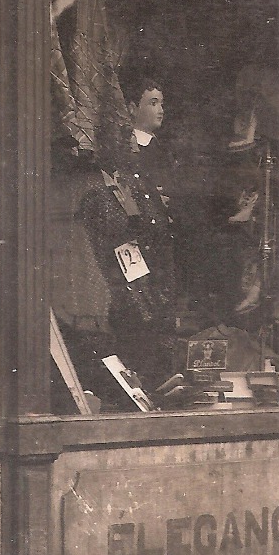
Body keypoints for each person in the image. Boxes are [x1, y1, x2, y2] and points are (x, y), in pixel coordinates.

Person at [78, 69, 181, 402]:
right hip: (131, 294)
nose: (129, 147)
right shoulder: (100, 193)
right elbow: (121, 244)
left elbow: (153, 230)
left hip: (152, 284)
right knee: (140, 339)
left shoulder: (135, 183)